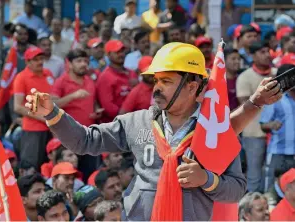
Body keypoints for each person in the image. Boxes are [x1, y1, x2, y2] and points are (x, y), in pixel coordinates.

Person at [25, 42, 282, 220]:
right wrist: (52, 113)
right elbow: (84, 141)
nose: (156, 88)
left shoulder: (215, 131)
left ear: (193, 86)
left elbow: (236, 189)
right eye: (156, 80)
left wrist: (206, 180)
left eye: (166, 81)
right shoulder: (137, 122)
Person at [236, 41, 277, 192]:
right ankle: (252, 209)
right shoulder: (245, 77)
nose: (267, 55)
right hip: (254, 134)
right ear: (252, 56)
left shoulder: (278, 74)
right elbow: (246, 106)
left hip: (277, 135)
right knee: (254, 176)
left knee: (274, 175)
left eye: (268, 51)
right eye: (262, 52)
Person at [13, 47, 54, 169]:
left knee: (49, 165)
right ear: (27, 62)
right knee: (31, 166)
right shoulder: (21, 78)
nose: (40, 62)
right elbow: (17, 107)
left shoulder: (48, 74)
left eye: (41, 58)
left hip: (52, 128)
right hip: (33, 130)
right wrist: (42, 118)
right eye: (35, 60)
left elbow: (53, 98)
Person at [260, 64, 295, 191]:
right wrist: (272, 125)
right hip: (277, 152)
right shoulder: (275, 98)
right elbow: (263, 124)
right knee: (271, 190)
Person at [51, 48, 99, 127]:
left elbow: (93, 101)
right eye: (79, 61)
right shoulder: (61, 81)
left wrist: (96, 110)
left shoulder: (89, 80)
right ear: (69, 64)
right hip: (69, 131)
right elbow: (52, 105)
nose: (83, 64)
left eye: (85, 61)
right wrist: (72, 96)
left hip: (88, 130)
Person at [96, 40, 138, 122]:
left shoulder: (132, 73)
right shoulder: (105, 77)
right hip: (116, 124)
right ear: (108, 55)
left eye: (122, 51)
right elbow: (109, 107)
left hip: (136, 120)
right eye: (117, 52)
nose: (121, 54)